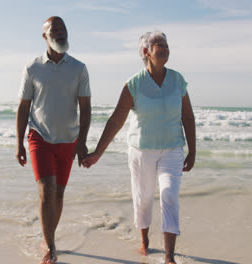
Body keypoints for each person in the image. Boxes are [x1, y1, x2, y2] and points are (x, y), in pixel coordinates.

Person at [82, 31, 195, 264]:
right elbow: (116, 120)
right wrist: (97, 153)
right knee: (143, 198)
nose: (164, 48)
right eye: (158, 45)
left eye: (166, 44)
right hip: (141, 150)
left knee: (169, 195)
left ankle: (169, 256)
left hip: (172, 149)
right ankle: (144, 242)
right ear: (146, 52)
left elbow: (188, 116)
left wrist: (193, 151)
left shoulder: (178, 80)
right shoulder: (134, 84)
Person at [15, 16, 91, 264]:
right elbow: (23, 108)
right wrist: (19, 144)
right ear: (44, 36)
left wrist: (82, 141)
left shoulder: (79, 68)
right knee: (47, 192)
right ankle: (51, 246)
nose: (60, 32)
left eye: (63, 29)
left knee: (58, 194)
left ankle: (48, 236)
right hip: (40, 137)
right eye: (54, 29)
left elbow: (86, 107)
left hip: (68, 140)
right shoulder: (32, 68)